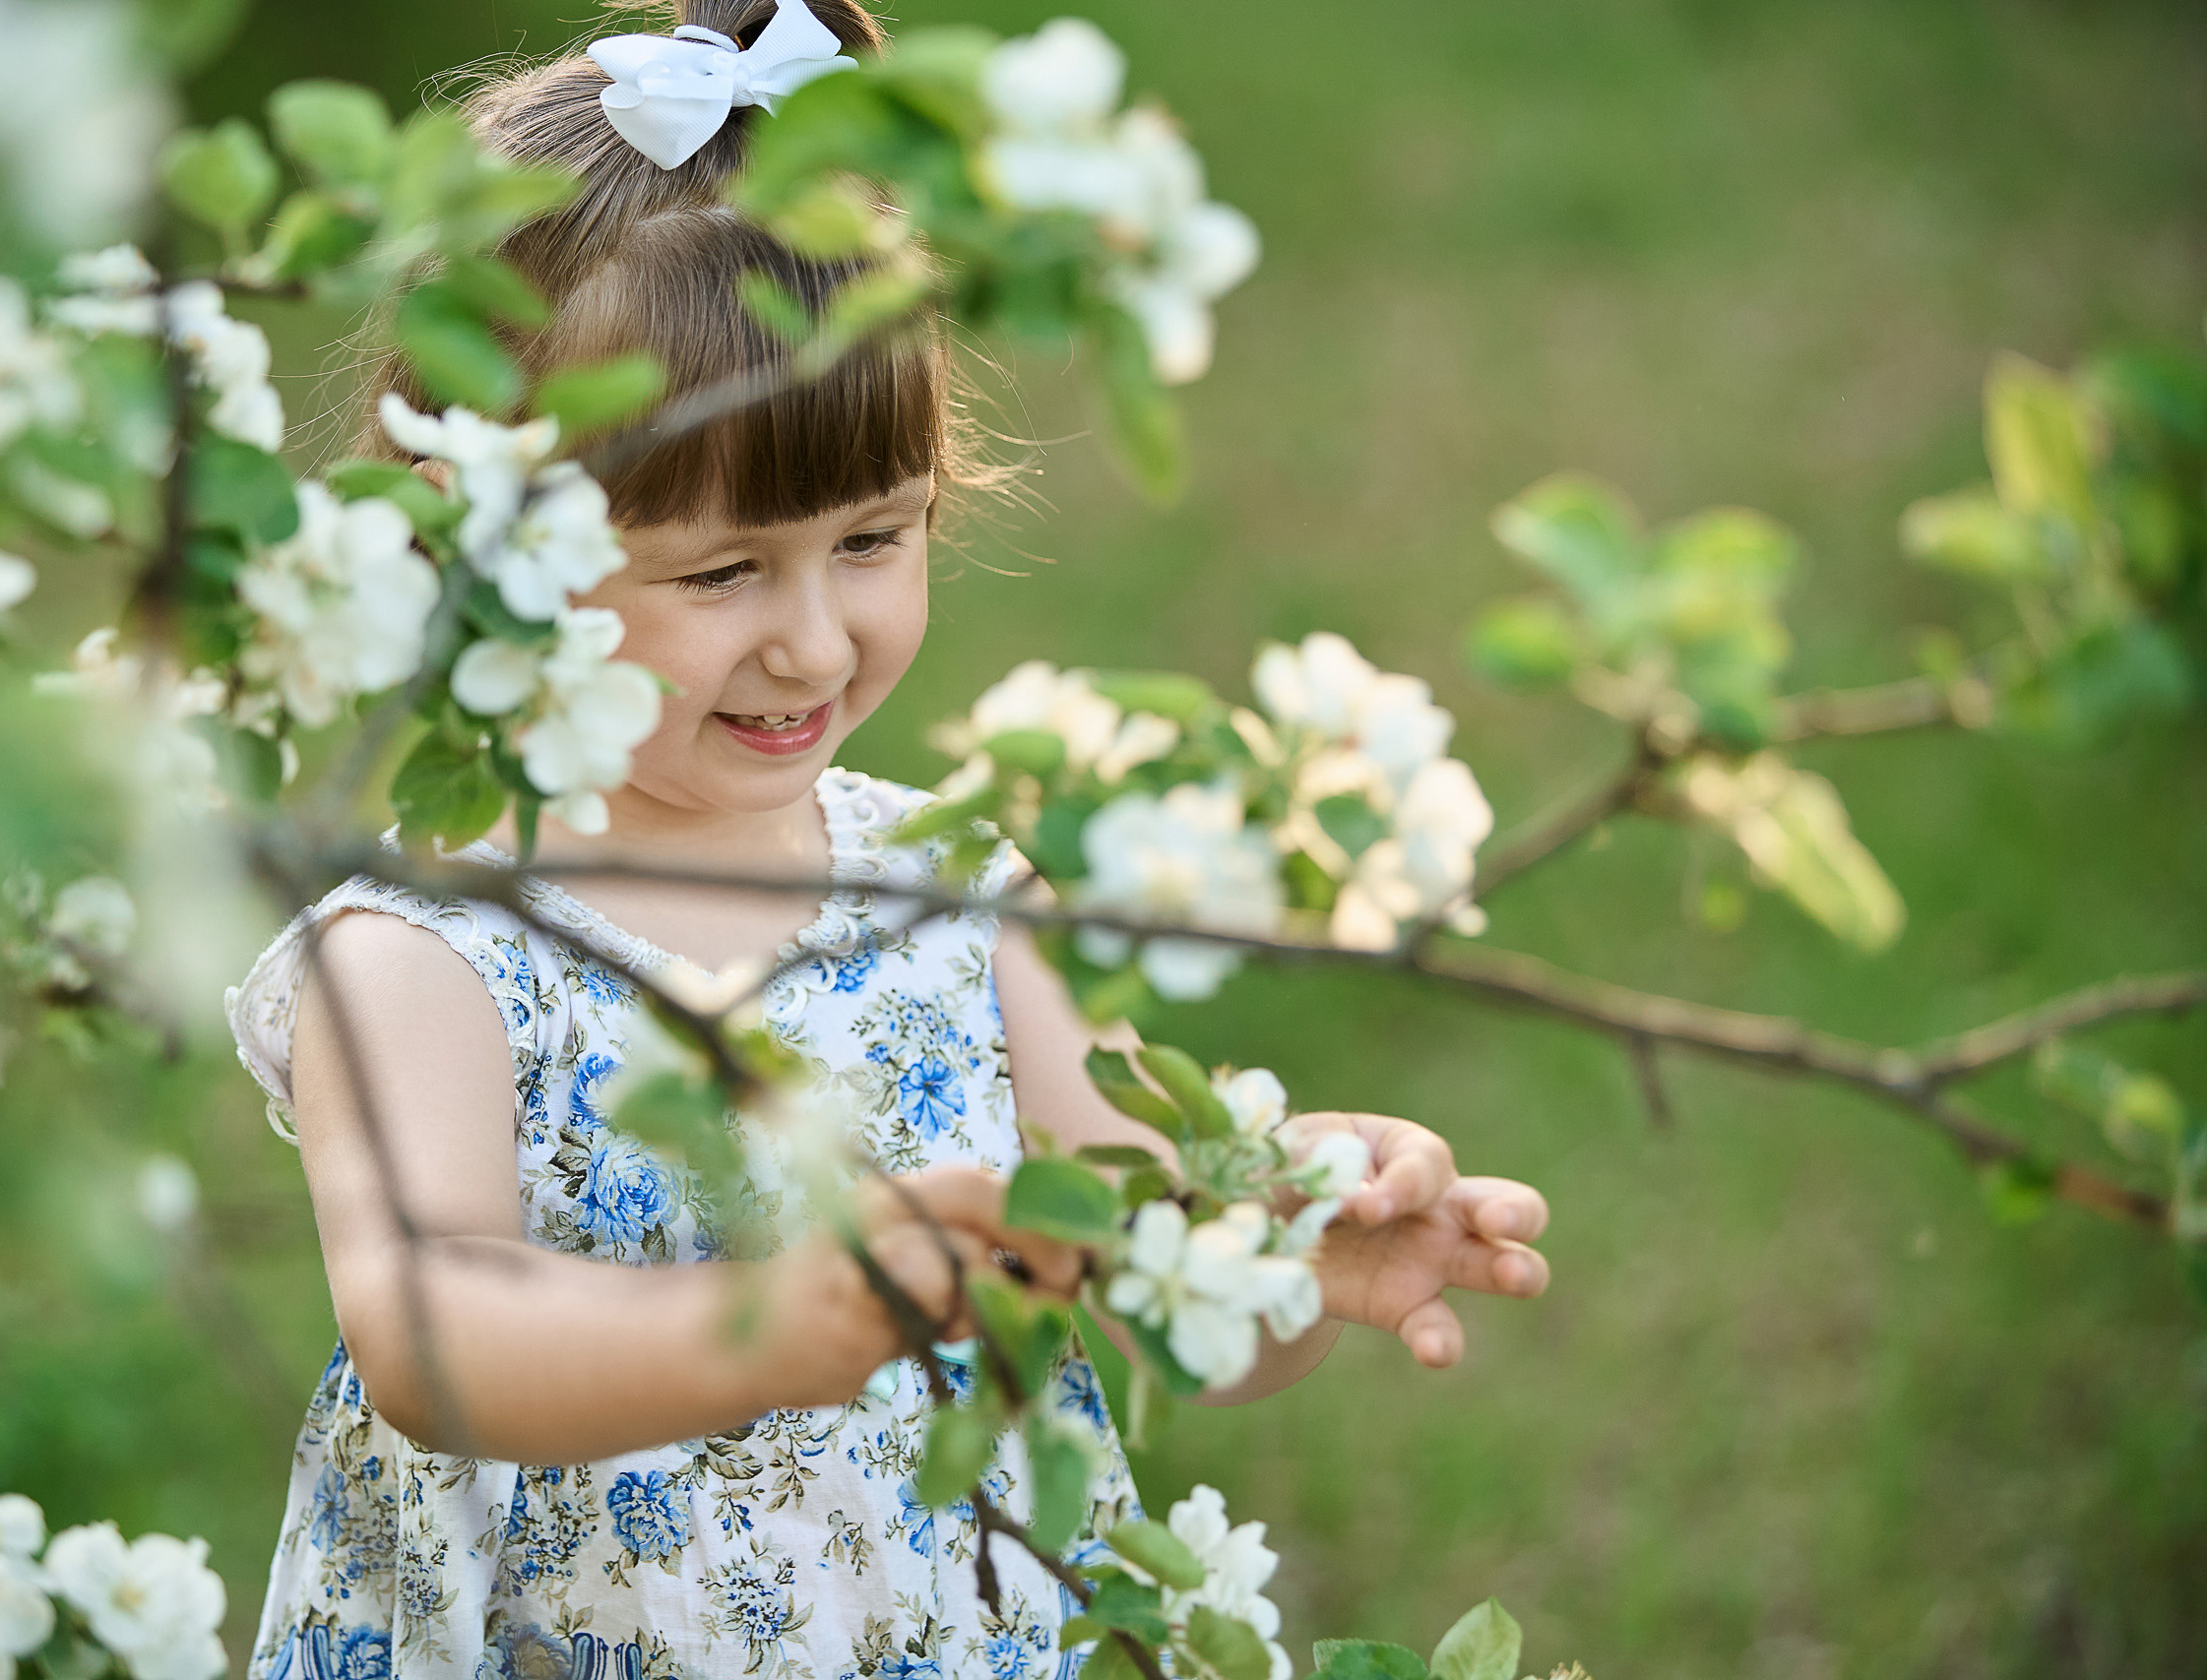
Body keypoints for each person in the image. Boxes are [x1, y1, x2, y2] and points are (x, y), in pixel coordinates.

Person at [224, 3, 1553, 1675]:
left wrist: (1281, 1248)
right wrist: (772, 1328)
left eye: (874, 537)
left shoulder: (963, 887)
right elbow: (428, 1327)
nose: (813, 642)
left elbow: (1131, 1250)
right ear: (487, 545)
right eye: (722, 573)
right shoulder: (424, 953)